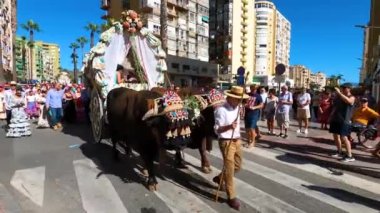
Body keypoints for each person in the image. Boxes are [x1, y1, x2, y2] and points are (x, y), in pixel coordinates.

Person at [213, 86, 249, 211]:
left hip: (237, 140)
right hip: (226, 142)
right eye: (238, 99)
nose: (240, 102)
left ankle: (219, 178)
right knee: (229, 169)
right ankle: (231, 197)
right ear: (230, 97)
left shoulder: (238, 107)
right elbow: (217, 129)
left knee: (238, 166)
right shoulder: (221, 110)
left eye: (241, 99)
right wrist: (229, 127)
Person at [329, 83, 356, 162]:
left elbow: (349, 101)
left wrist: (339, 93)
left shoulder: (352, 97)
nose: (342, 89)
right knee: (335, 136)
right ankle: (339, 151)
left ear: (349, 88)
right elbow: (335, 107)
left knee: (344, 137)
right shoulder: (339, 97)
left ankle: (350, 156)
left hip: (344, 120)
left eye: (344, 88)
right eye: (342, 88)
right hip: (336, 119)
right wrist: (331, 116)